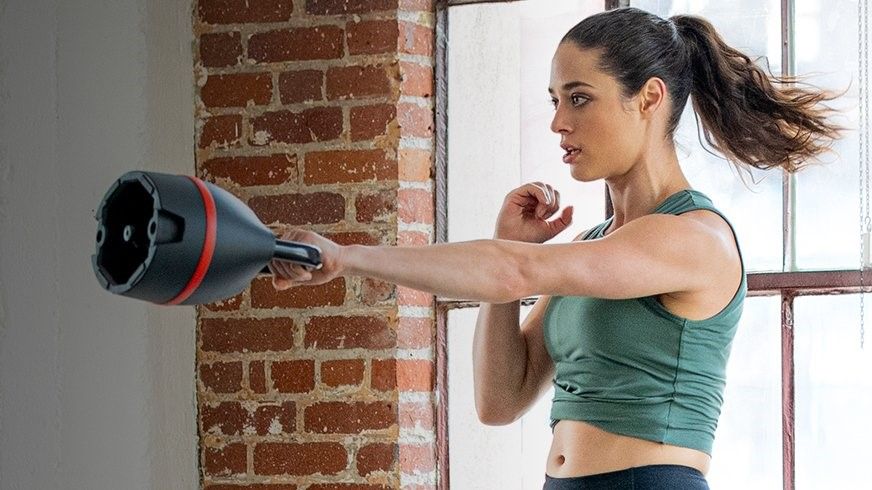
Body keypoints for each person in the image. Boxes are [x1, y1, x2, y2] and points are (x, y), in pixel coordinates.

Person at [268, 7, 844, 489]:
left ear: (648, 98)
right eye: (553, 101)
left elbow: (517, 272)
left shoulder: (692, 237)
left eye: (579, 99)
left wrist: (346, 257)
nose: (558, 123)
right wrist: (505, 247)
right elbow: (500, 400)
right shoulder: (597, 246)